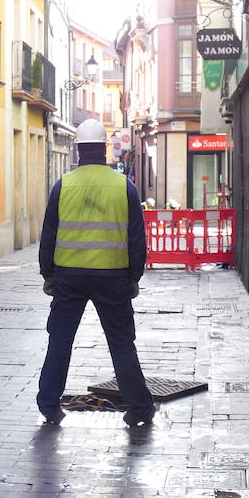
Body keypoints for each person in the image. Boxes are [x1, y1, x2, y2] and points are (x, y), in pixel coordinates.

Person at [37, 119, 156, 427]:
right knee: (121, 343)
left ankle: (49, 405)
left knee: (60, 341)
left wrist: (47, 274)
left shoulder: (63, 186)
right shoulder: (124, 186)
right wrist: (133, 277)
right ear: (104, 149)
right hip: (112, 277)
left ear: (78, 149)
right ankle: (140, 408)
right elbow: (136, 238)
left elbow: (48, 235)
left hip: (69, 276)